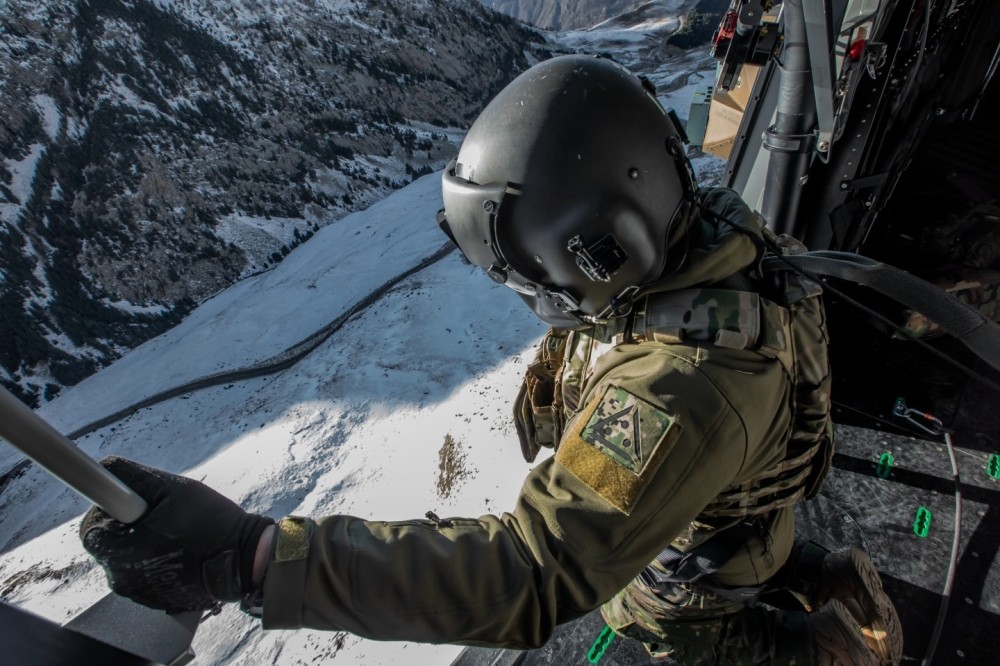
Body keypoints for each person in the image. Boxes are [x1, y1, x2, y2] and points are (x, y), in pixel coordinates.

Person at [79, 55, 902, 665]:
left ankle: (820, 644)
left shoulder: (679, 387)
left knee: (650, 619)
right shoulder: (708, 230)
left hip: (706, 556)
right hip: (730, 505)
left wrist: (253, 557)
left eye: (537, 279)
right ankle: (815, 567)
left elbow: (530, 573)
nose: (531, 300)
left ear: (608, 248)